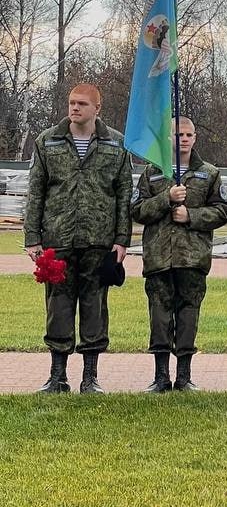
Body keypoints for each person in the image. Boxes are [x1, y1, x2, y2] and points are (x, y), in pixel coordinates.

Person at [25, 84, 132, 394]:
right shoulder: (48, 141)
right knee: (58, 307)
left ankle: (90, 377)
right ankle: (57, 376)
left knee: (94, 307)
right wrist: (33, 238)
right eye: (72, 103)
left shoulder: (115, 144)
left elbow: (124, 193)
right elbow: (36, 193)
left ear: (97, 108)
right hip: (58, 239)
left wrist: (122, 239)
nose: (75, 108)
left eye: (82, 104)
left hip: (99, 241)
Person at [130, 116, 227, 392]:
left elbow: (222, 211)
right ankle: (161, 376)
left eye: (188, 135)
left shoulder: (209, 173)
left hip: (192, 258)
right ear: (168, 138)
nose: (184, 139)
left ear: (195, 138)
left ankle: (184, 376)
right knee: (160, 317)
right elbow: (138, 211)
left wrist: (191, 216)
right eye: (178, 135)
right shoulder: (152, 172)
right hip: (159, 258)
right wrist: (166, 199)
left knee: (188, 316)